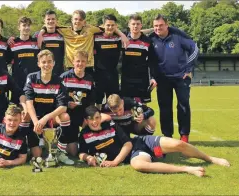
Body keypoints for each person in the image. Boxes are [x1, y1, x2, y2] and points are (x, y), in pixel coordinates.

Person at [79, 106, 230, 177]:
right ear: (86, 120)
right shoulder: (84, 135)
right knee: (138, 165)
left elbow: (128, 144)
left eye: (97, 118)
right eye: (91, 119)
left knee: (178, 144)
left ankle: (211, 158)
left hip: (140, 142)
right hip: (135, 155)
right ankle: (187, 169)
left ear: (101, 117)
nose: (95, 122)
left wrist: (114, 162)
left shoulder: (110, 124)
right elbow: (81, 153)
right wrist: (87, 157)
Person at [149, 14, 199, 143]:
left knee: (183, 106)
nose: (158, 28)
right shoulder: (151, 39)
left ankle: (184, 135)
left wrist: (188, 69)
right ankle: (167, 136)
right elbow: (147, 61)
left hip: (181, 77)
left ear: (167, 25)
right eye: (155, 26)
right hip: (162, 79)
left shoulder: (178, 35)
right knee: (164, 108)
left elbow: (194, 48)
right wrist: (152, 77)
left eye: (161, 25)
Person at [38, 10, 129, 76]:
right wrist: (41, 33)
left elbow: (108, 26)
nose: (77, 21)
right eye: (75, 19)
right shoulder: (64, 30)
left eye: (80, 19)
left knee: (88, 95)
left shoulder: (90, 29)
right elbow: (49, 25)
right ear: (72, 20)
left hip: (87, 66)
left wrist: (122, 35)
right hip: (71, 67)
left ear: (84, 21)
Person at [24, 49, 74, 165]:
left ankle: (60, 152)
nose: (46, 65)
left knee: (65, 116)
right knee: (37, 155)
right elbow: (29, 103)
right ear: (39, 64)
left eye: (49, 61)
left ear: (54, 63)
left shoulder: (59, 80)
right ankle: (23, 147)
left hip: (51, 118)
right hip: (36, 118)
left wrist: (45, 118)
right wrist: (37, 122)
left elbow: (63, 107)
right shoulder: (31, 78)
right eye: (44, 62)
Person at [60, 50, 96, 156]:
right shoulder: (64, 77)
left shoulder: (89, 79)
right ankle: (60, 145)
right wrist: (67, 104)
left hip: (82, 115)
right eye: (78, 61)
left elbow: (91, 102)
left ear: (87, 62)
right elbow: (58, 97)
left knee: (75, 152)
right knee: (72, 152)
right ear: (73, 61)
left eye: (83, 61)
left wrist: (88, 117)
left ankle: (86, 145)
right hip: (67, 114)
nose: (80, 64)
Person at [120, 14, 158, 104]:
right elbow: (105, 27)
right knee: (126, 107)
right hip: (126, 79)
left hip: (142, 80)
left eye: (138, 24)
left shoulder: (148, 41)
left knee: (142, 108)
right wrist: (120, 33)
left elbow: (152, 61)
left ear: (141, 25)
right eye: (133, 24)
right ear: (129, 25)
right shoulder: (122, 38)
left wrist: (153, 77)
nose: (135, 26)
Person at [93, 14, 122, 109]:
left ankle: (112, 122)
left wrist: (153, 30)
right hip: (99, 74)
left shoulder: (118, 37)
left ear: (116, 26)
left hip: (113, 74)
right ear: (103, 25)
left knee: (113, 102)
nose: (110, 27)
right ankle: (98, 121)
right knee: (98, 101)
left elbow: (138, 32)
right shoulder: (95, 36)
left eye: (112, 25)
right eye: (108, 25)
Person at [37, 10, 65, 76]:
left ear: (56, 21)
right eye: (48, 19)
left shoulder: (62, 34)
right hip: (44, 72)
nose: (50, 21)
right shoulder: (38, 35)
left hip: (59, 72)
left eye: (53, 19)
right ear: (44, 21)